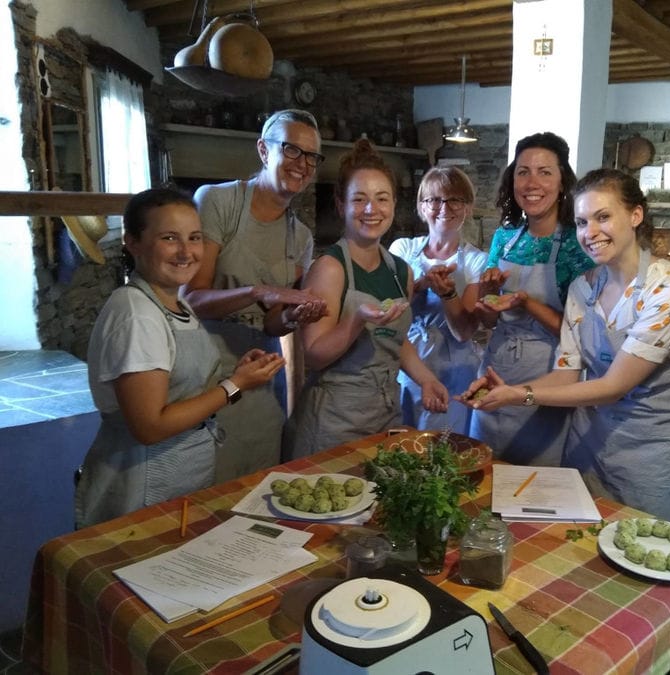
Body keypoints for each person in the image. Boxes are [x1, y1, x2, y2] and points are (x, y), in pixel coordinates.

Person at [461, 169, 670, 521]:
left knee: (643, 550)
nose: (590, 232)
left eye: (603, 217)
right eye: (581, 221)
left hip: (648, 450)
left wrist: (521, 396)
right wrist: (511, 388)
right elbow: (566, 375)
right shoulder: (582, 289)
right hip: (587, 443)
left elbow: (612, 387)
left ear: (636, 215)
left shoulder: (669, 291)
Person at [75, 188, 285, 528]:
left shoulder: (175, 304)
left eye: (195, 237)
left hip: (179, 478)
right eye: (170, 238)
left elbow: (180, 391)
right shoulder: (136, 313)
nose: (186, 251)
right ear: (133, 242)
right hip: (142, 483)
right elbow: (150, 425)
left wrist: (240, 373)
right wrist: (234, 386)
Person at [185, 109, 327, 482]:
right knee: (206, 484)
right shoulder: (219, 202)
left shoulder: (301, 237)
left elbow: (271, 322)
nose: (303, 165)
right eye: (293, 150)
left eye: (312, 156)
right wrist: (256, 291)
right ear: (264, 150)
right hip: (207, 368)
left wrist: (294, 315)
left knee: (259, 482)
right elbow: (191, 298)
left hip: (263, 372)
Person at [285, 139, 450, 457]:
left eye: (381, 198)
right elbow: (315, 355)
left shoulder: (400, 270)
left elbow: (395, 339)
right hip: (333, 418)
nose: (371, 210)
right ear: (340, 205)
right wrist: (355, 320)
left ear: (393, 204)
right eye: (359, 200)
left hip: (385, 411)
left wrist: (426, 379)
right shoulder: (330, 269)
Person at [469, 132, 594, 465]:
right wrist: (490, 296)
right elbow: (488, 321)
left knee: (534, 485)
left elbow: (580, 336)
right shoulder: (504, 238)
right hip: (495, 367)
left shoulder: (576, 245)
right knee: (482, 470)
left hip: (548, 375)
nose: (531, 182)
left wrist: (527, 304)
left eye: (544, 172)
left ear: (562, 182)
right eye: (523, 172)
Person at [388, 167, 488, 433]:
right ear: (422, 207)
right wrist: (422, 284)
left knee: (447, 443)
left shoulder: (477, 260)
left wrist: (447, 293)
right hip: (406, 359)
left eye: (455, 199)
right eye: (434, 199)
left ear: (467, 208)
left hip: (455, 368)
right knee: (402, 439)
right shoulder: (402, 249)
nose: (444, 207)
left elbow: (464, 331)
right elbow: (388, 308)